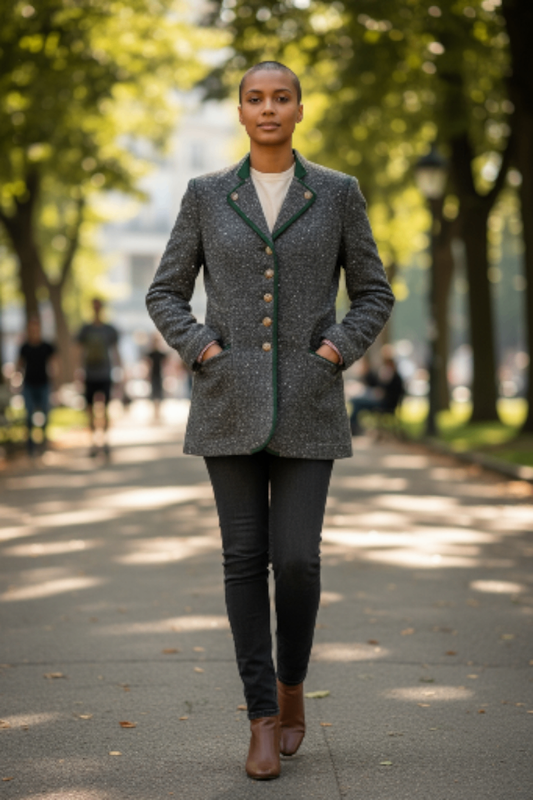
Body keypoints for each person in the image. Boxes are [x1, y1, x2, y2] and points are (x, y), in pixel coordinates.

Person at [146, 61, 394, 780]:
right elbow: (165, 293)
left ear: (298, 109)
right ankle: (260, 716)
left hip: (310, 403)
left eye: (279, 98)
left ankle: (292, 690)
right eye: (254, 98)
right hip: (226, 401)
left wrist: (332, 353)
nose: (267, 108)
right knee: (241, 561)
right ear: (240, 110)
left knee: (298, 559)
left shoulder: (339, 193)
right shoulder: (204, 195)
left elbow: (372, 293)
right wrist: (204, 349)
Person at [76, 298, 120, 457]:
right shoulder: (86, 330)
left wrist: (119, 371)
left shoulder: (109, 330)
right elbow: (79, 351)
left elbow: (115, 352)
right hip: (89, 374)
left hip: (105, 374)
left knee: (106, 409)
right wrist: (78, 371)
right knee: (90, 411)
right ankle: (93, 443)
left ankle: (106, 441)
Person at [17, 316, 56, 456]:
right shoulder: (24, 347)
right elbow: (19, 365)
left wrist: (55, 381)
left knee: (45, 412)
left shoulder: (47, 346)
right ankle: (30, 445)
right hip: (28, 385)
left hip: (44, 384)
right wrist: (15, 381)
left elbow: (53, 365)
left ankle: (43, 441)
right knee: (29, 414)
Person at [350, 346, 405, 435]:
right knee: (357, 403)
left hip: (386, 404)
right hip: (384, 401)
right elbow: (376, 385)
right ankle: (354, 427)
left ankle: (353, 427)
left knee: (356, 402)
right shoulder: (391, 374)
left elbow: (384, 390)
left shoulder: (391, 375)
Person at [145, 333, 168, 421]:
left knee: (159, 393)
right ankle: (155, 412)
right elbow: (148, 364)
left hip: (159, 375)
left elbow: (165, 364)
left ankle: (158, 412)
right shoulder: (151, 353)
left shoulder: (160, 354)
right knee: (154, 393)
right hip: (154, 375)